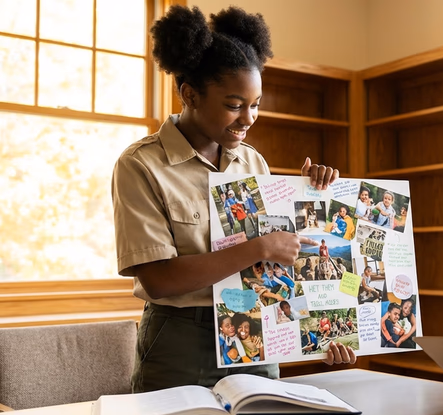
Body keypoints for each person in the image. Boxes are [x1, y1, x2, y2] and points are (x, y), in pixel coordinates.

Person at [112, 5, 355, 393]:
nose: (249, 118)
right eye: (234, 104)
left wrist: (323, 332)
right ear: (189, 94)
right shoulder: (141, 165)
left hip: (256, 329)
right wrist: (259, 247)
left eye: (255, 103)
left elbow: (283, 263)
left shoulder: (253, 161)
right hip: (180, 340)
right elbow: (158, 279)